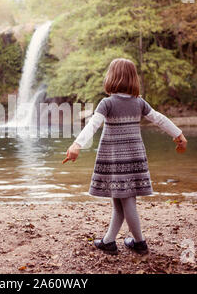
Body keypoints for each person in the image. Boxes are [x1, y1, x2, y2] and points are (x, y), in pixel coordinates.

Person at [63, 58, 187, 255]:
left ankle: (139, 242)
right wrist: (178, 134)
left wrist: (77, 144)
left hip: (115, 158)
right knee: (119, 199)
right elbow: (159, 119)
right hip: (134, 156)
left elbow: (93, 125)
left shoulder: (107, 103)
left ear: (111, 78)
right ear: (132, 79)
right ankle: (108, 241)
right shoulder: (139, 103)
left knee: (126, 200)